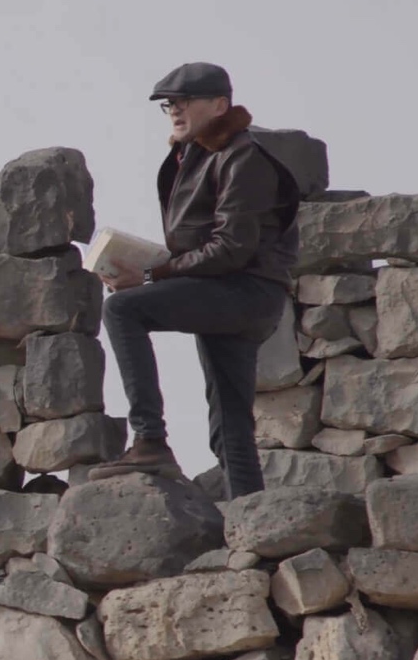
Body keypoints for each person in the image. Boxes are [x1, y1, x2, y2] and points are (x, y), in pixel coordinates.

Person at [88, 62, 300, 499]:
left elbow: (230, 249)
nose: (175, 110)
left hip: (243, 292)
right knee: (230, 426)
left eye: (186, 101)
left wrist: (148, 274)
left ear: (220, 105)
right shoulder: (192, 155)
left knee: (123, 308)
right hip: (226, 292)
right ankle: (252, 521)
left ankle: (150, 440)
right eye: (170, 104)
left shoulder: (244, 157)